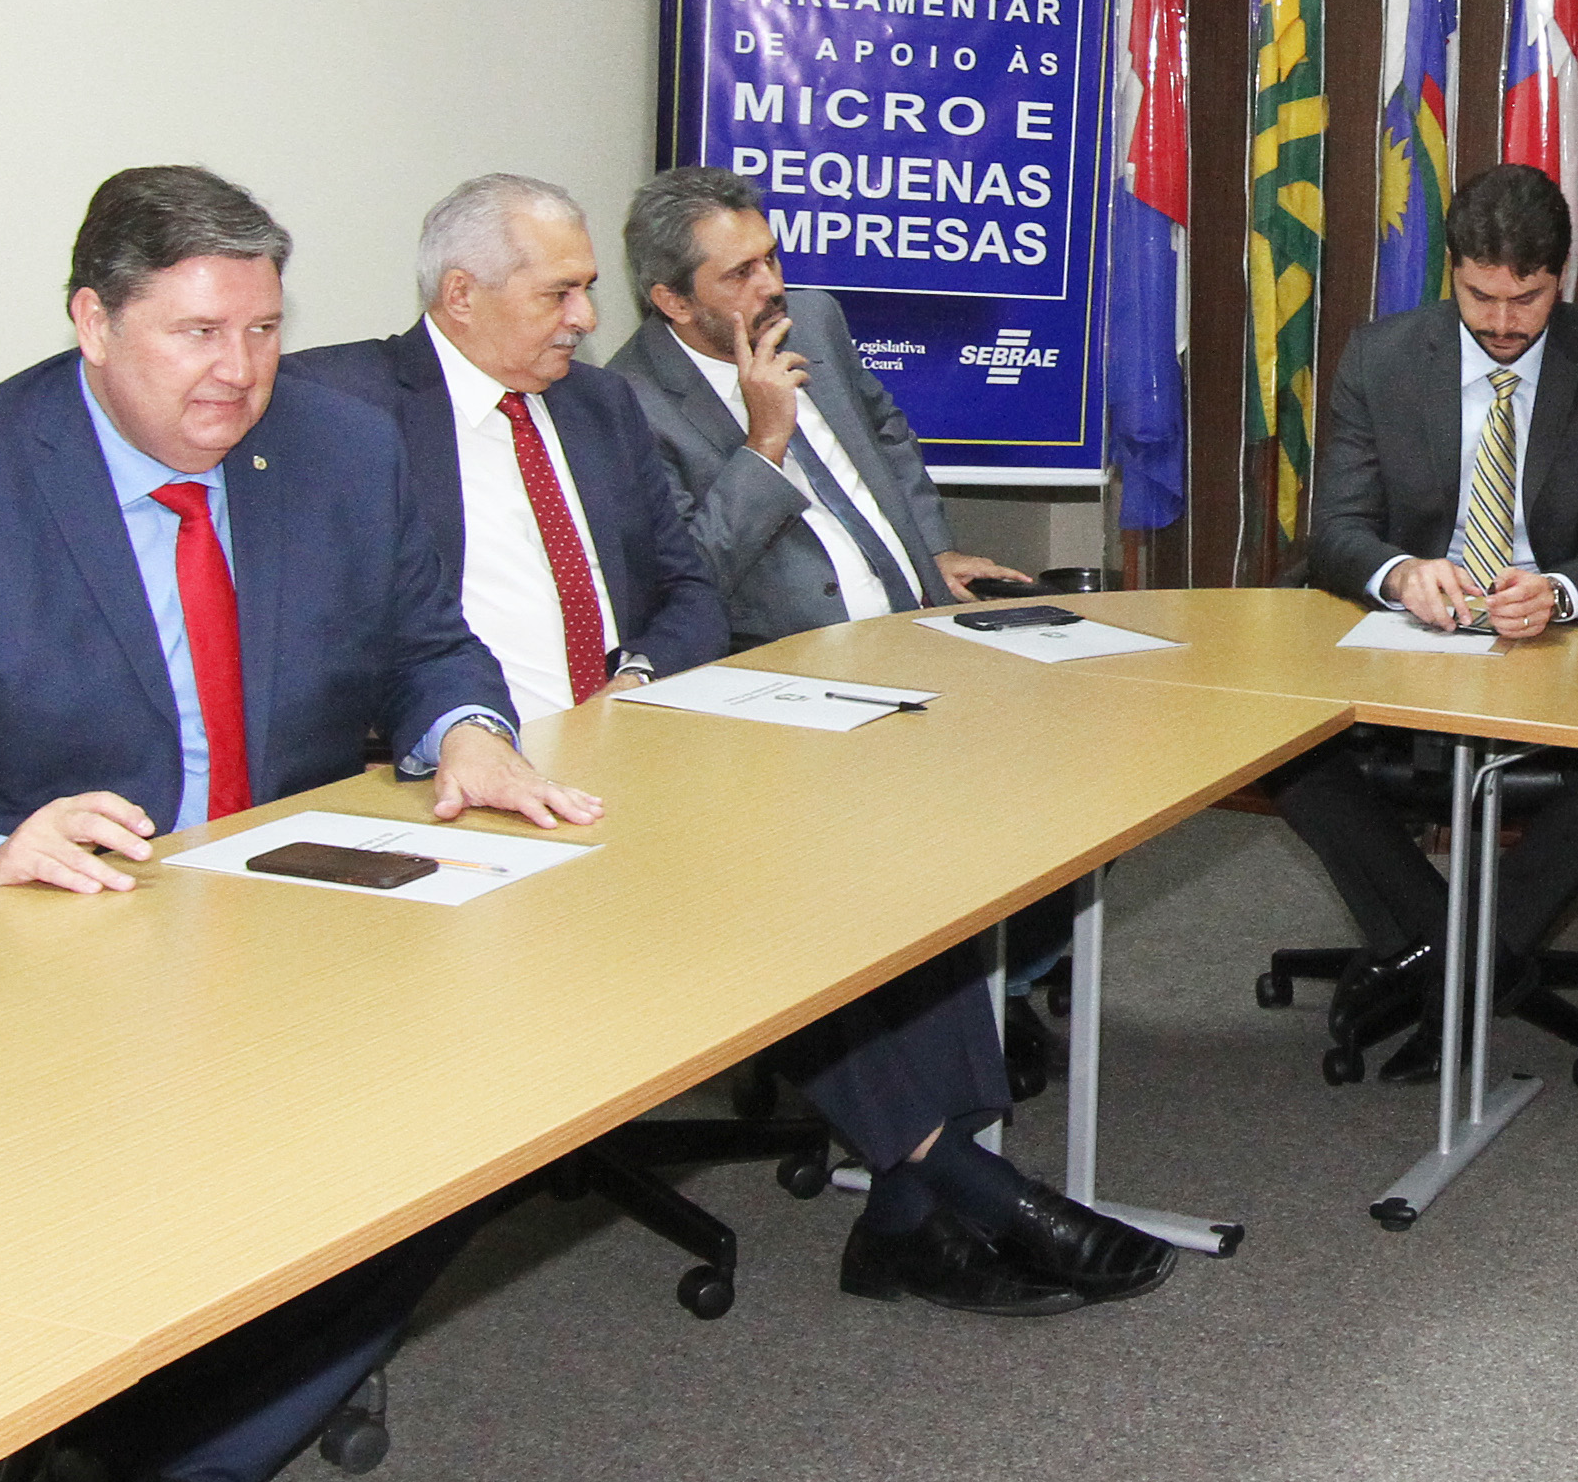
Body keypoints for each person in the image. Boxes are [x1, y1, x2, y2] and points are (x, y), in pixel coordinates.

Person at [0, 165, 611, 1482]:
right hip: (53, 954)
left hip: (294, 926)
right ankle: (163, 1443)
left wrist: (468, 727)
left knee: (488, 1119)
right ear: (92, 321)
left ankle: (184, 1473)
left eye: (264, 331)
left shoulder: (337, 449)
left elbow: (426, 643)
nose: (239, 373)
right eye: (197, 334)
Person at [299, 174, 1160, 1321]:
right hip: (485, 773)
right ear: (461, 295)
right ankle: (961, 1186)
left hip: (646, 735)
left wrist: (638, 685)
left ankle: (914, 1204)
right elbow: (351, 629)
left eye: (588, 291)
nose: (584, 319)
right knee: (779, 892)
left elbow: (685, 588)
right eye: (560, 294)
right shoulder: (356, 418)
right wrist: (466, 731)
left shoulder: (590, 407)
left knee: (897, 860)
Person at [1273, 162, 1578, 1023]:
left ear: (1560, 278)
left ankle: (1431, 967)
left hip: (1552, 648)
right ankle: (1471, 966)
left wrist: (1557, 591)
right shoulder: (1379, 357)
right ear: (1450, 270)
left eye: (1526, 300)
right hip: (1409, 645)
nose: (1500, 323)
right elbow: (1335, 530)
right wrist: (1399, 572)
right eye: (1479, 296)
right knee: (1290, 752)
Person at [612, 162, 1029, 643]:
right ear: (675, 302)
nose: (772, 286)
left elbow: (884, 430)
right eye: (740, 274)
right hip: (789, 658)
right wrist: (764, 445)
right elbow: (688, 577)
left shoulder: (813, 319)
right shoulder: (627, 403)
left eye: (770, 258)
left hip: (916, 624)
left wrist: (933, 550)